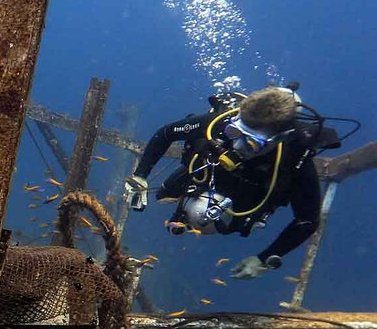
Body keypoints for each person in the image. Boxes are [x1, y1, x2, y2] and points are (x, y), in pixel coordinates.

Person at [124, 85, 339, 280]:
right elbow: (165, 133)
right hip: (205, 177)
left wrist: (264, 259)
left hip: (246, 201)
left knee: (230, 224)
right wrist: (141, 175)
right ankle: (183, 211)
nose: (237, 145)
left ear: (280, 139)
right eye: (235, 132)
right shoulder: (219, 122)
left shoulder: (294, 159)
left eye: (252, 143)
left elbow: (308, 220)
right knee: (165, 194)